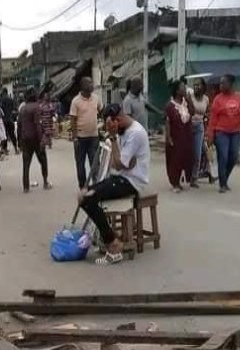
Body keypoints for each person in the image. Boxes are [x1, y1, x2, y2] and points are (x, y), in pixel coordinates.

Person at [78, 104, 150, 265]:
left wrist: (112, 137)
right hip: (121, 178)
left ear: (118, 120)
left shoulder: (135, 134)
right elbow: (116, 163)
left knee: (88, 199)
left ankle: (113, 245)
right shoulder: (124, 131)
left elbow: (118, 164)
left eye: (112, 124)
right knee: (83, 194)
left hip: (132, 182)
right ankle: (107, 238)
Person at [207, 74, 240, 193]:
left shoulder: (239, 98)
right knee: (223, 157)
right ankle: (222, 184)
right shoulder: (218, 99)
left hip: (235, 133)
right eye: (220, 83)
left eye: (223, 83)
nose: (221, 85)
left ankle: (225, 178)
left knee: (233, 157)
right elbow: (212, 119)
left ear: (231, 84)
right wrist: (210, 135)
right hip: (221, 132)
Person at [70, 77, 102, 188]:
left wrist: (103, 126)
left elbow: (101, 111)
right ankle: (83, 187)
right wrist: (74, 138)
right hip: (80, 138)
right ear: (83, 86)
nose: (92, 85)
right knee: (80, 164)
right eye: (89, 83)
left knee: (95, 163)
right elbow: (73, 120)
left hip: (94, 137)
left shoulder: (96, 98)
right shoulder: (75, 101)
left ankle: (96, 186)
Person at [17, 87, 51, 192]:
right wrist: (41, 139)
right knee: (43, 160)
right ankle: (45, 182)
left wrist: (19, 141)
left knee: (26, 164)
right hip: (35, 138)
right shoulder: (37, 108)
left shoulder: (22, 108)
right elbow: (37, 125)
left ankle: (26, 187)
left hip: (25, 138)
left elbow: (19, 125)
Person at [165, 80, 194, 192]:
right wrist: (168, 137)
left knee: (186, 158)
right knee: (175, 160)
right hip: (176, 136)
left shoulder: (186, 103)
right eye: (182, 87)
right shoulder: (170, 106)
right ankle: (175, 183)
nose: (185, 89)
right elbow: (167, 122)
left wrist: (189, 100)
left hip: (186, 136)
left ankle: (186, 179)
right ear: (177, 91)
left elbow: (192, 112)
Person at [190, 78, 210, 187]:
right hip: (188, 126)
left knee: (197, 154)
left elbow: (206, 115)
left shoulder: (206, 99)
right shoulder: (190, 97)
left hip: (199, 127)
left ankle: (194, 178)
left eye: (198, 85)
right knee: (188, 153)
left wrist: (206, 130)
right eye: (194, 85)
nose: (196, 87)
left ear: (203, 86)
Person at [0, 88, 19, 154]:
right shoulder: (11, 100)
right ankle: (16, 148)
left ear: (4, 92)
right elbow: (15, 109)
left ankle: (5, 149)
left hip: (4, 120)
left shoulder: (2, 100)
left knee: (4, 136)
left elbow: (0, 110)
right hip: (10, 120)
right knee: (12, 135)